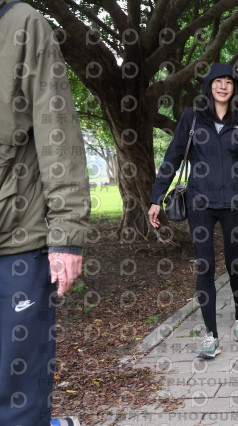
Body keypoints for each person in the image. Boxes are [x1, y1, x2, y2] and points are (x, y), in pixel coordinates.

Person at [0, 1, 90, 425]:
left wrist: (67, 233)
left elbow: (58, 132)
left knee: (16, 396)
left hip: (17, 243)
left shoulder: (23, 24)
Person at [148, 63, 238, 360]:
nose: (223, 86)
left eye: (229, 81)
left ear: (235, 88)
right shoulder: (192, 118)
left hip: (233, 203)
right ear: (209, 85)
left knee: (234, 262)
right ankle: (210, 335)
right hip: (200, 202)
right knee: (205, 266)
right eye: (218, 81)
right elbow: (172, 158)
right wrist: (156, 197)